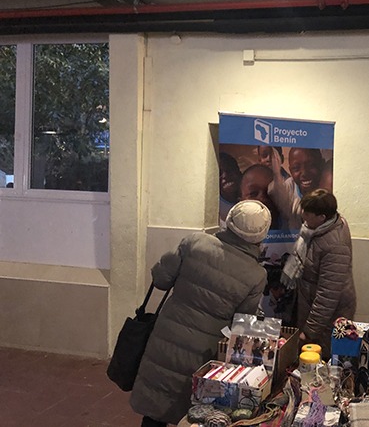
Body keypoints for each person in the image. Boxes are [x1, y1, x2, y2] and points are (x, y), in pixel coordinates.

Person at [130, 200, 272, 427]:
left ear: (230, 220)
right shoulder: (256, 275)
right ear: (261, 235)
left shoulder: (195, 242)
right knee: (193, 412)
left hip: (167, 334)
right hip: (205, 350)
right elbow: (242, 323)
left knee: (155, 402)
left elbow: (161, 279)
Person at [281, 188, 355, 360]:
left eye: (307, 213)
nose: (303, 215)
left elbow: (327, 295)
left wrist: (309, 332)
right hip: (311, 307)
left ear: (322, 217)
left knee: (320, 362)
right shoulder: (315, 230)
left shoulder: (335, 246)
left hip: (328, 319)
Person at [269, 147, 325, 229]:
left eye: (310, 165)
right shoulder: (289, 187)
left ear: (321, 164)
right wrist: (276, 174)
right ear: (290, 171)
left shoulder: (327, 184)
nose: (304, 173)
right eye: (296, 168)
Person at [218, 152, 242, 227]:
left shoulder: (252, 198)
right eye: (219, 173)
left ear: (239, 173)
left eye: (229, 170)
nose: (225, 176)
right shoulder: (214, 208)